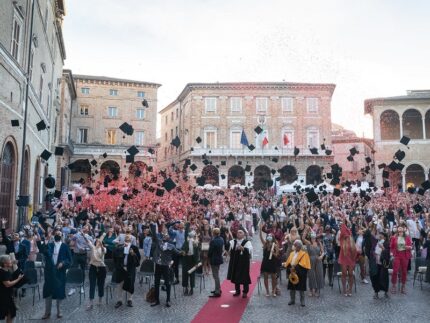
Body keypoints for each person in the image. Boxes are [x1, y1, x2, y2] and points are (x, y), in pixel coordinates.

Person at [41, 231, 72, 319]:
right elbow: (44, 252)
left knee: (60, 291)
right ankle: (47, 312)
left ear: (62, 236)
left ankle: (59, 311)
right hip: (49, 271)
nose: (58, 235)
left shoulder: (65, 246)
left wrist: (63, 263)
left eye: (60, 233)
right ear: (54, 236)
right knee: (48, 291)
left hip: (60, 272)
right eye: (57, 234)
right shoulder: (50, 245)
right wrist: (46, 242)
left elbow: (69, 260)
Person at [150, 223, 181, 307]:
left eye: (166, 235)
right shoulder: (159, 242)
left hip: (165, 266)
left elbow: (178, 253)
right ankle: (157, 300)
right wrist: (153, 224)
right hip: (158, 265)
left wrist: (185, 252)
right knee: (156, 283)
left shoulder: (171, 246)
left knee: (167, 283)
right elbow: (154, 233)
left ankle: (168, 300)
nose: (165, 237)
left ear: (169, 238)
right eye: (164, 235)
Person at [112, 234, 140, 308]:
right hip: (121, 268)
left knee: (131, 284)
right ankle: (119, 300)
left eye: (129, 238)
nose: (127, 239)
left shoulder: (134, 248)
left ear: (131, 240)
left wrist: (133, 254)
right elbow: (114, 256)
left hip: (130, 269)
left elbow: (138, 261)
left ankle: (130, 299)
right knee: (120, 284)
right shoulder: (120, 247)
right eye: (126, 238)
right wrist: (120, 247)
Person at [283, 239, 311, 307]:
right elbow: (288, 262)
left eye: (297, 246)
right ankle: (292, 300)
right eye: (295, 245)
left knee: (301, 288)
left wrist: (295, 268)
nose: (296, 247)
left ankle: (302, 301)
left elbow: (304, 265)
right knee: (292, 287)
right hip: (292, 272)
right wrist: (290, 268)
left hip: (300, 273)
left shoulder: (304, 254)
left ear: (300, 246)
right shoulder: (292, 253)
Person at [227, 229, 252, 298]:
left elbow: (250, 250)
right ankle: (237, 290)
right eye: (237, 232)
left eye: (240, 232)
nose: (238, 234)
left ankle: (245, 292)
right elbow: (229, 250)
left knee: (245, 276)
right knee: (236, 276)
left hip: (244, 263)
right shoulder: (233, 242)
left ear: (243, 234)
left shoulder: (247, 242)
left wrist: (243, 249)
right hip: (236, 261)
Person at [69, 225, 93, 296]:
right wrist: (73, 239)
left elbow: (91, 247)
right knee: (73, 270)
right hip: (76, 254)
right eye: (84, 227)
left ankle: (81, 286)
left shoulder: (89, 237)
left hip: (83, 255)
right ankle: (72, 288)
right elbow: (71, 243)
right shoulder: (77, 235)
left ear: (88, 230)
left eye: (86, 227)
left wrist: (85, 249)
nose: (84, 228)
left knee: (82, 271)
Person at [0, 255, 24, 323]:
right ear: (5, 264)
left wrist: (14, 264)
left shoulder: (7, 271)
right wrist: (18, 279)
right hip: (4, 297)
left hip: (8, 296)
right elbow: (8, 284)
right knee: (10, 313)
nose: (11, 261)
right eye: (9, 260)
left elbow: (11, 278)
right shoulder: (2, 272)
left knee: (10, 314)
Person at [85, 233, 107, 310]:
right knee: (92, 284)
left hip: (101, 268)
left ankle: (100, 300)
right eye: (97, 241)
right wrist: (84, 235)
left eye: (99, 241)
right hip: (93, 268)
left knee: (101, 284)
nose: (98, 242)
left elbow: (104, 251)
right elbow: (88, 241)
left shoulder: (103, 248)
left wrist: (101, 245)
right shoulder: (93, 248)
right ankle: (91, 302)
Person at [259, 223, 280, 297]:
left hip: (273, 262)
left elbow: (277, 255)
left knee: (274, 277)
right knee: (265, 276)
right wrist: (260, 230)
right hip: (265, 262)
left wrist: (273, 252)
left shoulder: (276, 244)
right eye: (268, 236)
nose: (269, 237)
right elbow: (261, 237)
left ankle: (273, 290)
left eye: (271, 236)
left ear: (273, 237)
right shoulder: (265, 244)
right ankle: (267, 291)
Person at [390, 226, 412, 294]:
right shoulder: (394, 237)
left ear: (403, 231)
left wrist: (407, 247)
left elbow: (411, 246)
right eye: (399, 231)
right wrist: (391, 253)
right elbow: (391, 247)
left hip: (405, 255)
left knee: (404, 271)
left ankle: (403, 286)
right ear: (397, 231)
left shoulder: (407, 238)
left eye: (401, 231)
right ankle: (393, 285)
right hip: (397, 255)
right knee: (395, 271)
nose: (400, 232)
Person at [338, 220, 357, 297]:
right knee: (344, 274)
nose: (345, 233)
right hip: (344, 259)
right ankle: (344, 289)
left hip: (351, 259)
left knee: (350, 274)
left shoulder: (351, 240)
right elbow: (343, 229)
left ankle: (350, 289)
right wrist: (343, 220)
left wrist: (354, 258)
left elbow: (355, 250)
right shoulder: (342, 239)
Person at [303, 231, 324, 297]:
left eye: (314, 237)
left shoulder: (319, 243)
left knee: (318, 274)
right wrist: (305, 231)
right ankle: (311, 289)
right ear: (310, 238)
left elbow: (323, 252)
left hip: (318, 260)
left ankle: (317, 289)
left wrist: (321, 256)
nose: (313, 239)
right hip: (310, 259)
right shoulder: (308, 243)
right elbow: (303, 238)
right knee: (311, 274)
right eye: (312, 237)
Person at [370, 232, 390, 299]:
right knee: (375, 278)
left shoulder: (386, 243)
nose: (379, 236)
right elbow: (372, 250)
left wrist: (383, 248)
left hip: (383, 264)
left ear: (384, 237)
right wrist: (373, 253)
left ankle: (386, 292)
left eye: (381, 235)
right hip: (376, 263)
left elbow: (388, 253)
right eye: (379, 235)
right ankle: (376, 292)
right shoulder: (376, 243)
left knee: (384, 278)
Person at [181, 224, 199, 296]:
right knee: (185, 275)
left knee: (192, 275)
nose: (191, 237)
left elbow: (197, 253)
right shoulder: (186, 242)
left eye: (193, 236)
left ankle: (191, 288)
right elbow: (182, 249)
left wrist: (197, 262)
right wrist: (183, 252)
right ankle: (186, 288)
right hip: (186, 259)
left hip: (192, 260)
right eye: (190, 236)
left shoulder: (196, 243)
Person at [208, 227, 224, 297]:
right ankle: (218, 288)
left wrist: (208, 256)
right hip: (219, 258)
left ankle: (217, 291)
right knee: (216, 275)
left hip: (214, 259)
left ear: (213, 233)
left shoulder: (213, 241)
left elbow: (210, 251)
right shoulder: (221, 239)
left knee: (215, 276)